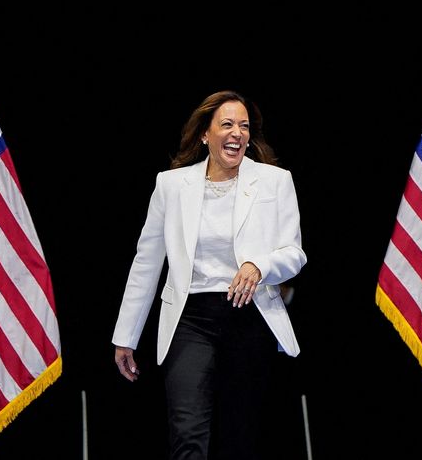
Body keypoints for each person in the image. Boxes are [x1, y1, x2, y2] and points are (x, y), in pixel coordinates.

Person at [112, 90, 307, 460]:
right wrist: (126, 335)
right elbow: (147, 262)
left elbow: (294, 253)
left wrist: (259, 265)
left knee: (239, 435)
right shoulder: (171, 186)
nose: (237, 133)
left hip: (250, 318)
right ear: (205, 133)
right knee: (187, 431)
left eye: (244, 126)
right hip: (190, 319)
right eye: (228, 124)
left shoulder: (276, 181)